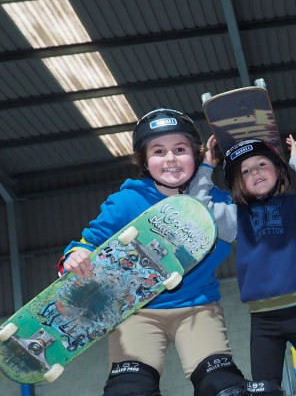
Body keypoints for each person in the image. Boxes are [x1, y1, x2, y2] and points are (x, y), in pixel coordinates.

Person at [58, 108, 247, 396]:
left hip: (197, 307)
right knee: (129, 390)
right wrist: (74, 257)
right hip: (137, 311)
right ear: (145, 161)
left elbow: (256, 228)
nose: (170, 158)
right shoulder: (126, 202)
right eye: (159, 151)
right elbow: (89, 242)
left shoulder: (216, 202)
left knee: (222, 386)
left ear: (195, 156)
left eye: (180, 149)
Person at [188, 135, 296, 396]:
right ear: (238, 182)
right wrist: (206, 168)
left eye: (262, 164)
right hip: (263, 321)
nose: (255, 172)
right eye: (246, 171)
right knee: (264, 392)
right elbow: (198, 209)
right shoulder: (233, 217)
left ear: (278, 169)